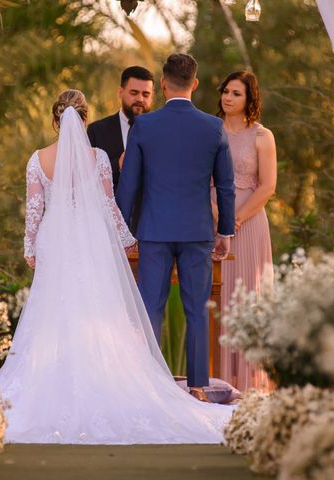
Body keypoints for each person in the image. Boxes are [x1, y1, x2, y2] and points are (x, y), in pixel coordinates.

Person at [0, 89, 233, 445]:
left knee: (54, 315)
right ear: (85, 119)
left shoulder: (38, 159)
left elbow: (34, 211)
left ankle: (54, 385)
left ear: (54, 119)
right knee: (97, 312)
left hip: (56, 243)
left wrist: (30, 247)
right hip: (92, 244)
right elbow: (108, 206)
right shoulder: (100, 157)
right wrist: (126, 239)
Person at [116, 54, 236, 402]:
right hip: (198, 232)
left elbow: (129, 184)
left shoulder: (145, 126)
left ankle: (149, 385)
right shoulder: (213, 127)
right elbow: (225, 186)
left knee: (151, 307)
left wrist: (123, 232)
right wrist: (224, 232)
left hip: (153, 231)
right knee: (196, 308)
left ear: (164, 85)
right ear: (194, 84)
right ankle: (197, 386)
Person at [212, 71, 276, 392]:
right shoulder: (210, 131)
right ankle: (217, 380)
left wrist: (234, 220)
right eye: (226, 91)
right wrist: (218, 217)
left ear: (250, 99)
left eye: (236, 93)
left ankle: (251, 384)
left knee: (248, 298)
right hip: (210, 221)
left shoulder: (262, 137)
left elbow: (267, 187)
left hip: (250, 224)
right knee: (218, 300)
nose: (228, 98)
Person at [87, 66, 154, 190]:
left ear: (152, 97)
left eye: (145, 94)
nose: (140, 99)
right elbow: (87, 176)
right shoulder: (96, 130)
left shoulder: (160, 132)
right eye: (134, 93)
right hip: (109, 207)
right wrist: (118, 165)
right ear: (120, 93)